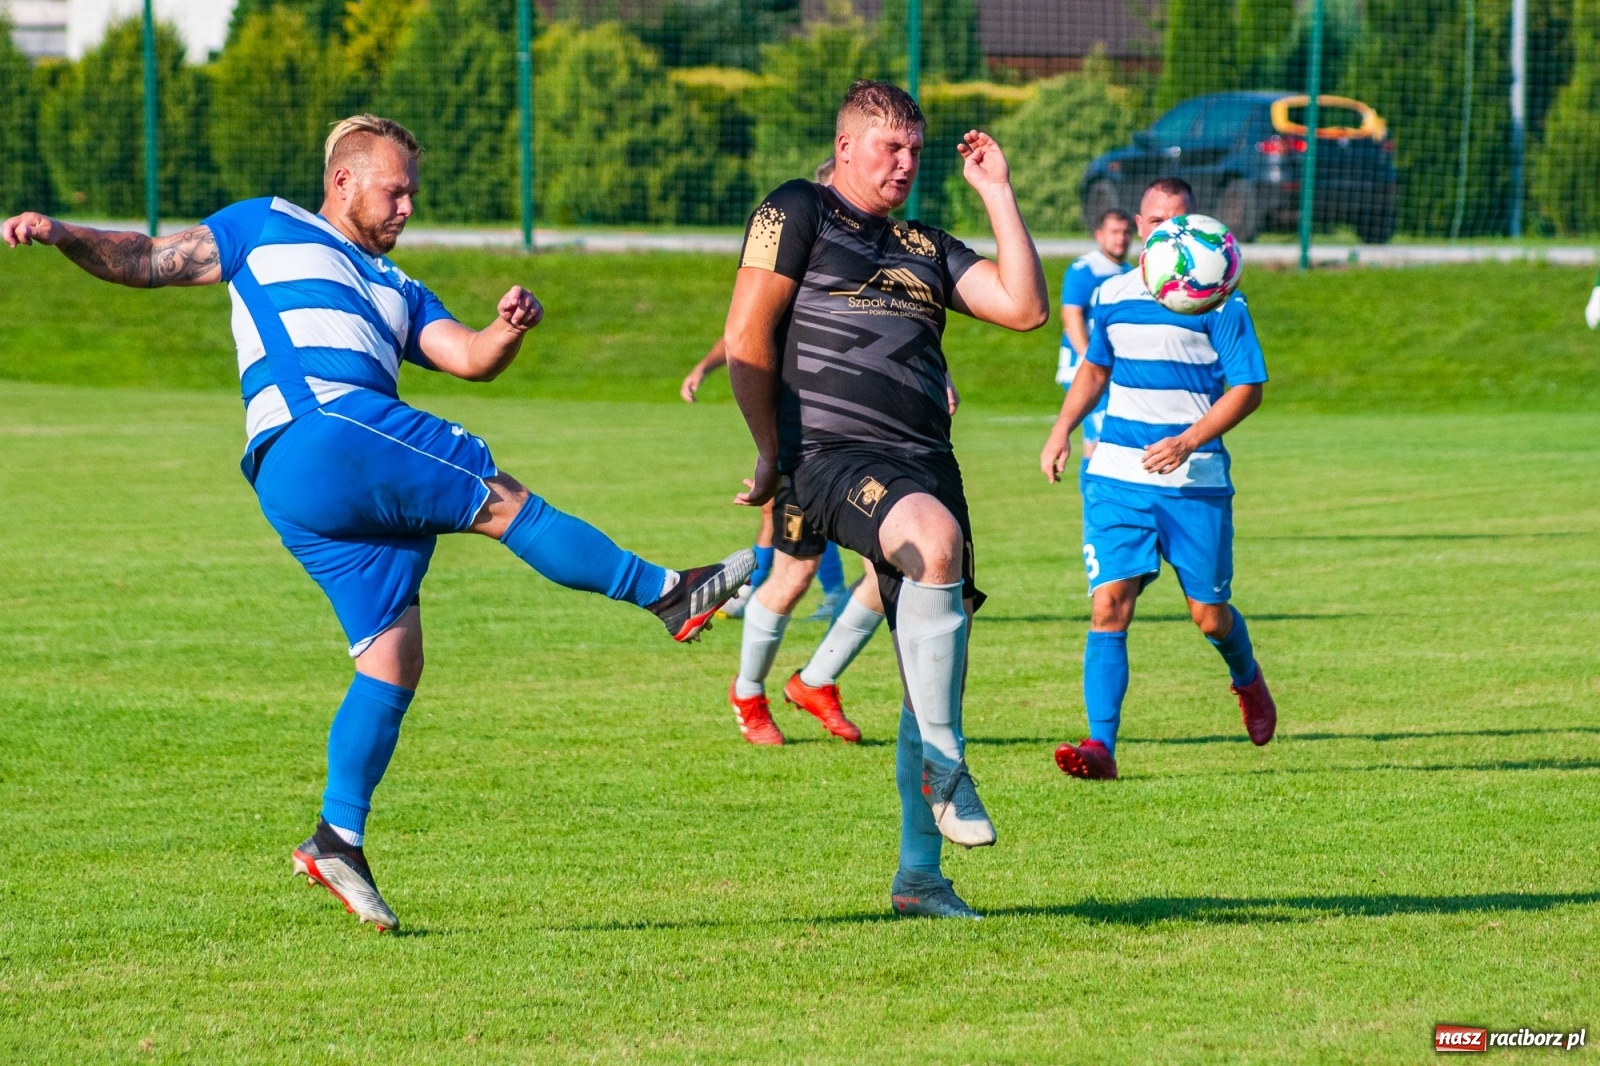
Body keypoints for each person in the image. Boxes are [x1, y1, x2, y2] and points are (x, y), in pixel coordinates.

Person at [1, 114, 753, 933]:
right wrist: (58, 231)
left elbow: (468, 358)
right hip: (324, 427)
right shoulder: (266, 225)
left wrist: (508, 328)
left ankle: (337, 837)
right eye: (395, 191)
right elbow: (148, 259)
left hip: (303, 486)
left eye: (413, 196)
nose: (406, 209)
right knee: (497, 497)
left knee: (393, 658)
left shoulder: (400, 289)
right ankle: (665, 595)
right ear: (344, 181)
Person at [723, 81, 1048, 918]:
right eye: (888, 148)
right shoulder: (797, 208)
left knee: (927, 676)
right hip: (830, 457)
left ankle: (919, 878)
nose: (905, 163)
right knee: (932, 540)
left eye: (915, 149)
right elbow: (746, 335)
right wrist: (770, 451)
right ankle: (948, 767)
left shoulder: (926, 245)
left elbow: (1023, 309)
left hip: (927, 463)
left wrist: (999, 194)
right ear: (845, 146)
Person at [1039, 177, 1277, 783]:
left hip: (1195, 481)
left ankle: (1247, 679)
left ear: (1193, 225)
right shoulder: (1113, 291)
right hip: (1117, 475)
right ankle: (1101, 746)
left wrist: (1188, 440)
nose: (1162, 231)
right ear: (1140, 227)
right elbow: (1096, 367)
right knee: (1109, 605)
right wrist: (1062, 428)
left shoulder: (1221, 298)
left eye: (1176, 220)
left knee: (1208, 615)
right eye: (1152, 221)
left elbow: (1248, 388)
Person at [1056, 208, 1133, 459]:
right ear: (1099, 235)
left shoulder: (1130, 272)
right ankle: (1092, 498)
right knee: (1100, 439)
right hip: (1085, 367)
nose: (1120, 238)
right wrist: (1090, 359)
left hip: (1112, 368)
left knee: (1112, 439)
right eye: (1114, 232)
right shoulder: (1085, 269)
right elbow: (1071, 315)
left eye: (1125, 232)